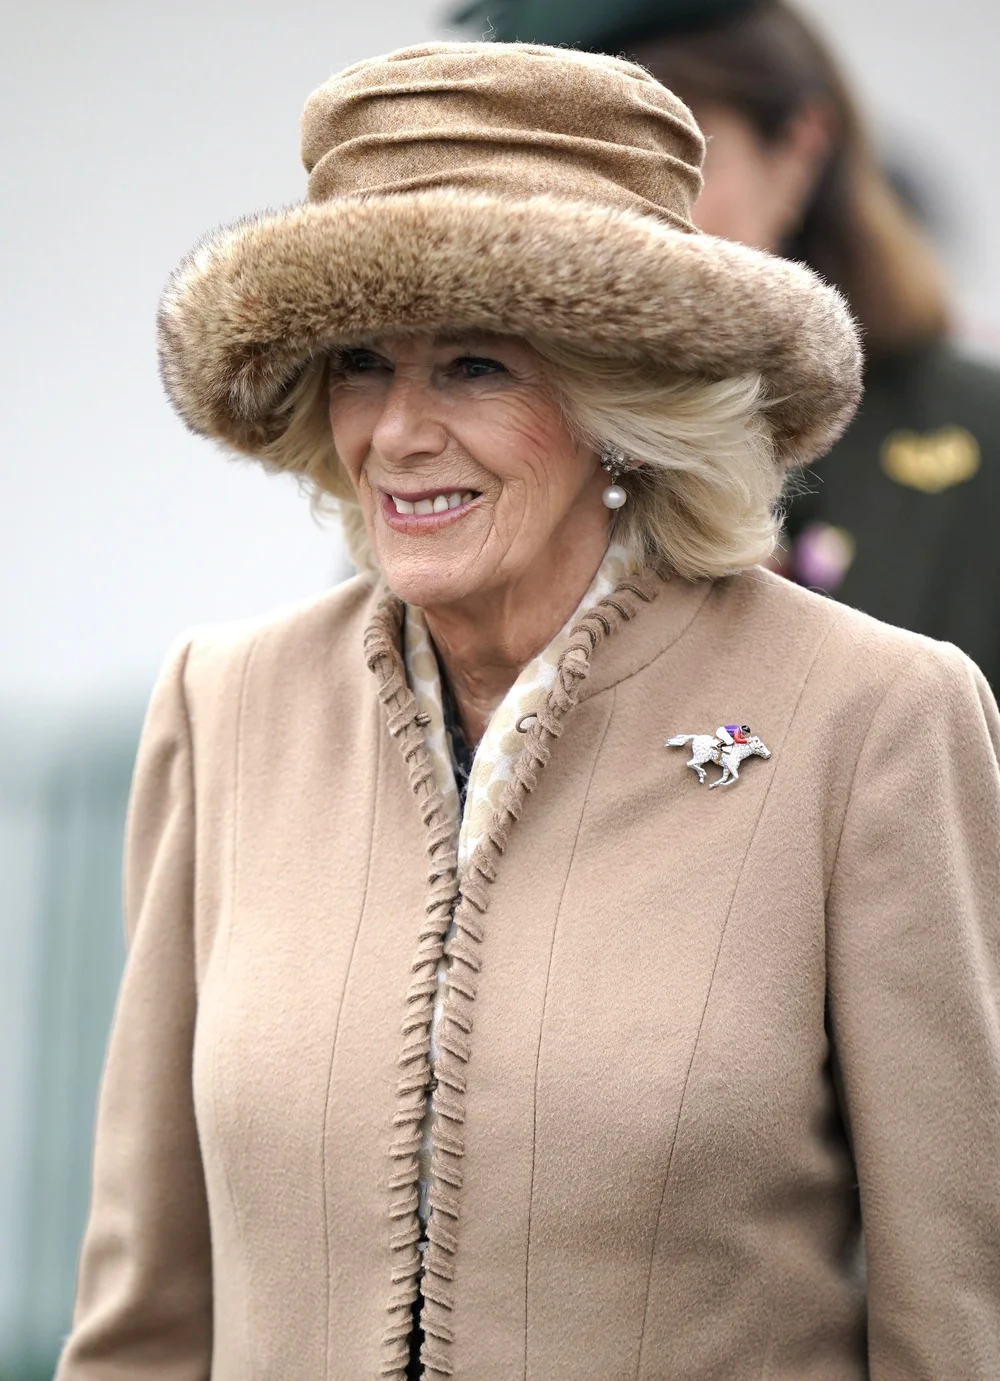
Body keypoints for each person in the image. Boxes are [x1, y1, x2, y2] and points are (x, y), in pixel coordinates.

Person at [58, 40, 1000, 1381]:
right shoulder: (225, 705)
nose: (396, 432)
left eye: (477, 368)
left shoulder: (873, 716)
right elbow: (145, 1315)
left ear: (626, 397)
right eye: (364, 365)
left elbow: (958, 1320)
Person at [453, 0, 1000, 696]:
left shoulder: (983, 434)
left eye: (675, 155)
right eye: (571, 163)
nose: (621, 206)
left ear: (800, 151)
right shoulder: (463, 434)